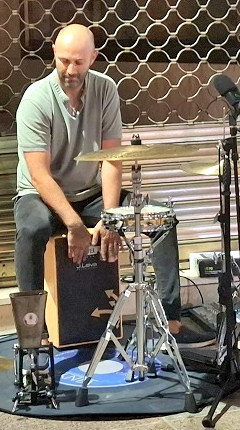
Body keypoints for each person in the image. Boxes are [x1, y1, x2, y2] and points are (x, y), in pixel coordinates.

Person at [14, 24, 211, 346]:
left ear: (93, 58)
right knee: (32, 229)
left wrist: (110, 216)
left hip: (91, 193)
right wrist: (74, 224)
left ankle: (171, 321)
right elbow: (39, 174)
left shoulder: (105, 89)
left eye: (78, 62)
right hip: (43, 194)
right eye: (64, 60)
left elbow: (112, 158)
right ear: (53, 53)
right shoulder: (36, 99)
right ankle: (33, 332)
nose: (70, 70)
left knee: (162, 219)